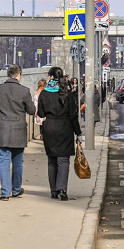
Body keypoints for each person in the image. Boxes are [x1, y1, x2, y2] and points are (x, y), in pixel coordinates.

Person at [37, 66, 82, 201]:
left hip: (49, 128)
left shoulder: (44, 94)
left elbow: (40, 114)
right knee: (63, 160)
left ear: (50, 77)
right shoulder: (67, 94)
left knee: (51, 160)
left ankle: (53, 191)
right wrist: (78, 133)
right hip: (65, 128)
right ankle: (62, 189)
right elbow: (73, 115)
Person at [0, 64, 36, 201]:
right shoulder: (24, 91)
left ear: (8, 75)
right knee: (17, 162)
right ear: (19, 75)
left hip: (2, 129)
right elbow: (31, 110)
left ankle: (5, 192)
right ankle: (16, 189)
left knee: (4, 162)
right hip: (19, 130)